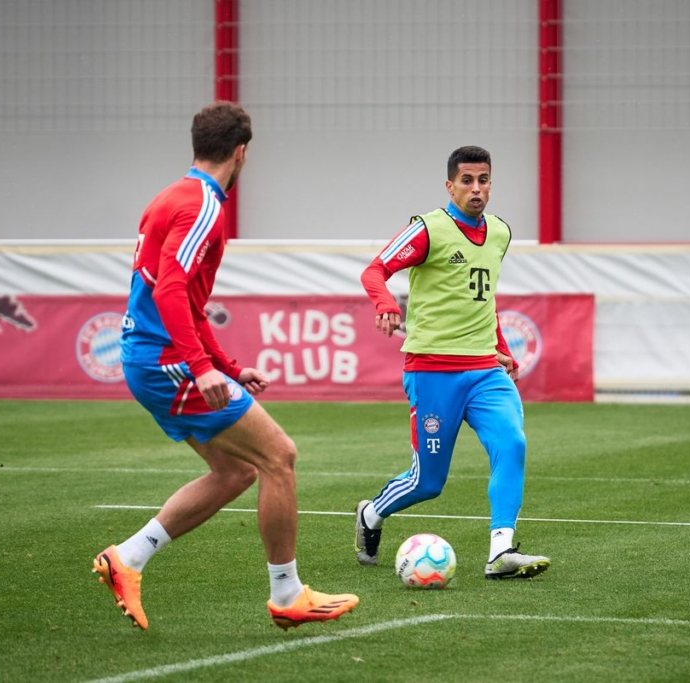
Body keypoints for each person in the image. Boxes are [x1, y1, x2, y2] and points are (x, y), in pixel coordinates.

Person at [93, 102, 358, 631]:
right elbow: (170, 290)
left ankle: (128, 558)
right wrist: (201, 367)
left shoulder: (168, 197)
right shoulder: (203, 206)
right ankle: (287, 594)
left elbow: (184, 300)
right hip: (167, 360)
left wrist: (227, 367)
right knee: (279, 456)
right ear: (241, 153)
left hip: (151, 358)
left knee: (237, 471)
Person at [355, 145, 551, 580]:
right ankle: (371, 512)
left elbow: (484, 296)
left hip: (485, 370)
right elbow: (375, 270)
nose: (476, 189)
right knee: (428, 483)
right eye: (467, 181)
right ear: (450, 186)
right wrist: (385, 303)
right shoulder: (427, 229)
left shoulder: (499, 232)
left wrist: (499, 345)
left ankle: (501, 550)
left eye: (483, 180)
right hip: (432, 373)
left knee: (512, 443)